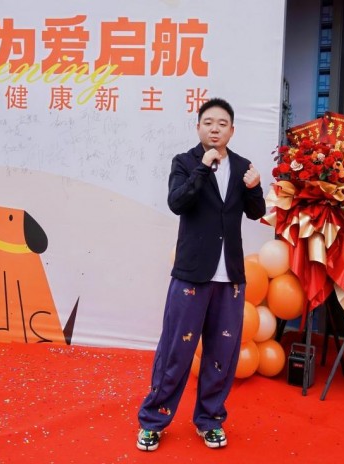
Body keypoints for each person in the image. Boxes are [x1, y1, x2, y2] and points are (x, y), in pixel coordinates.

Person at [136, 98, 266, 451]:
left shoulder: (242, 166)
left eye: (222, 123)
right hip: (192, 274)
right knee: (175, 352)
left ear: (232, 130)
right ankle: (153, 420)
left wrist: (255, 186)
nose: (215, 129)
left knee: (222, 354)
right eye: (208, 122)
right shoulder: (185, 162)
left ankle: (210, 420)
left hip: (230, 277)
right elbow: (177, 202)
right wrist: (203, 168)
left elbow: (256, 213)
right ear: (198, 128)